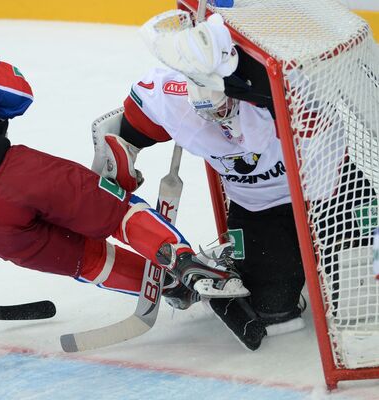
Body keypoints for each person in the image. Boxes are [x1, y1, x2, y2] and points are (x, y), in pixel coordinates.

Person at [0, 45, 249, 314]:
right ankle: (181, 262)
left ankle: (168, 286)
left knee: (86, 260)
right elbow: (15, 88)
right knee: (116, 214)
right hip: (17, 176)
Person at [90, 13, 308, 350]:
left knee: (357, 290)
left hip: (324, 196)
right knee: (275, 313)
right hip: (258, 208)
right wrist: (118, 155)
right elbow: (123, 129)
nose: (218, 121)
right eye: (207, 113)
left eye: (223, 109)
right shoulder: (170, 95)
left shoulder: (283, 86)